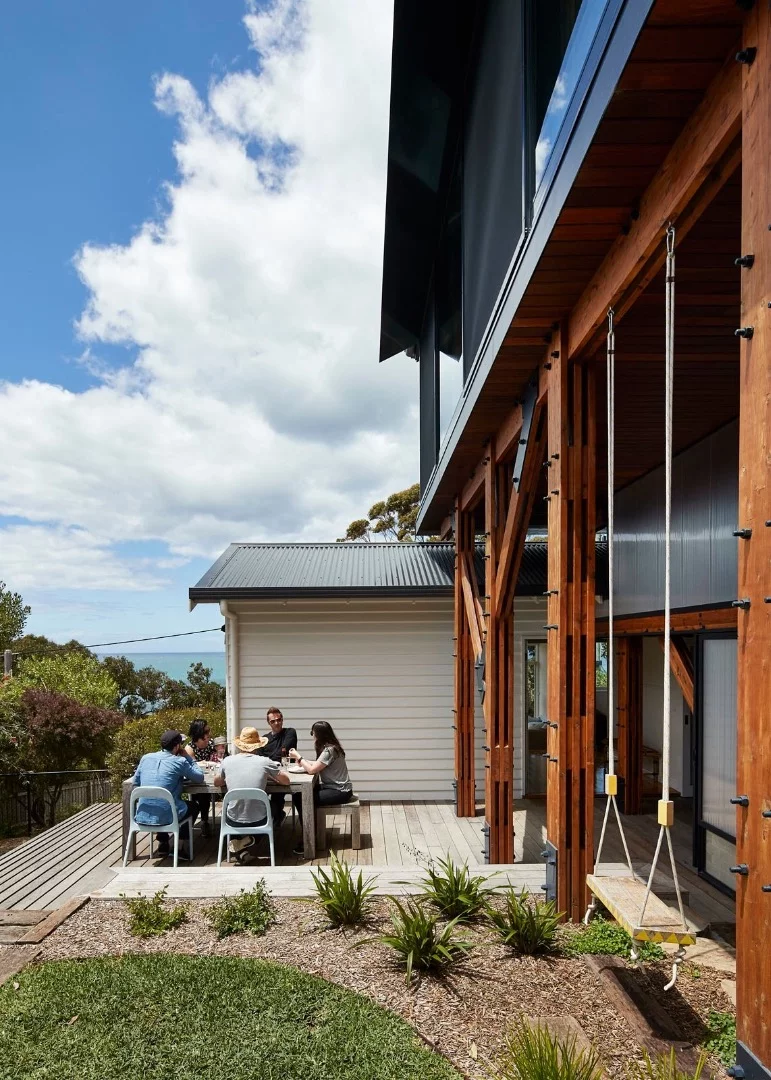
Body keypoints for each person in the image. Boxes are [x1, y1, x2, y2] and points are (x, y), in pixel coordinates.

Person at [215, 726, 290, 863]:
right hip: (259, 820)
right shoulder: (264, 761)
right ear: (257, 746)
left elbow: (217, 782)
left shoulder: (227, 761)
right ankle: (250, 840)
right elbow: (286, 781)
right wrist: (268, 776)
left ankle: (240, 847)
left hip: (233, 819)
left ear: (240, 745)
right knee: (276, 810)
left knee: (234, 807)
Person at [131, 729, 204, 859]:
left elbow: (135, 782)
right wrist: (189, 757)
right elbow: (199, 777)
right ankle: (179, 847)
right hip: (167, 815)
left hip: (143, 814)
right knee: (193, 806)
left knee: (159, 803)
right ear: (177, 746)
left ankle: (163, 843)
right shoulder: (179, 762)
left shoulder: (146, 758)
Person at [289, 721, 352, 857]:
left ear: (319, 734)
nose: (313, 737)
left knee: (302, 798)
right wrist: (303, 762)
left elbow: (312, 770)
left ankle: (309, 839)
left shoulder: (329, 750)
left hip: (340, 791)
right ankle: (310, 833)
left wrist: (299, 757)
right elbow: (317, 764)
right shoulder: (331, 747)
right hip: (336, 788)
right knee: (299, 795)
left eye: (313, 733)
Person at [257, 706, 297, 828]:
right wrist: (270, 761)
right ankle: (273, 815)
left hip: (284, 773)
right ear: (268, 723)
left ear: (282, 719)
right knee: (256, 792)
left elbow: (284, 751)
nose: (277, 723)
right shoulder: (264, 739)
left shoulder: (290, 732)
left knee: (278, 792)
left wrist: (267, 759)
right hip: (267, 774)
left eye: (279, 719)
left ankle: (276, 816)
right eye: (273, 721)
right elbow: (259, 756)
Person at [184, 717, 216, 837]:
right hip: (196, 781)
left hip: (212, 778)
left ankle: (205, 821)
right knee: (203, 793)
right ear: (199, 733)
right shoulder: (190, 748)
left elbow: (220, 758)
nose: (209, 734)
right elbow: (192, 768)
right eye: (207, 731)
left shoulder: (212, 744)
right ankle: (204, 821)